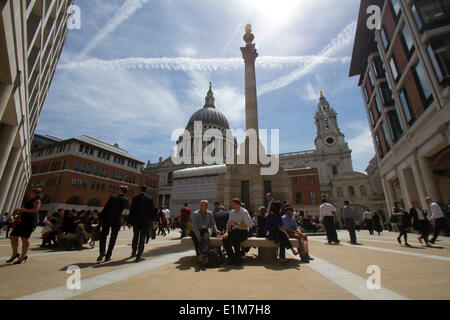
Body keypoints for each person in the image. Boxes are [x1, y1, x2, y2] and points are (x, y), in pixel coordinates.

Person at [7, 188, 42, 264]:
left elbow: (35, 210)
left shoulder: (37, 201)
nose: (30, 194)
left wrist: (23, 210)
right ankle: (15, 253)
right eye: (30, 192)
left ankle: (23, 255)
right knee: (13, 235)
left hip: (31, 221)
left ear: (36, 194)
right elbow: (25, 210)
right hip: (24, 220)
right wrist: (18, 216)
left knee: (25, 238)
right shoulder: (28, 200)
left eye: (32, 193)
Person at [97, 185, 129, 262]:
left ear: (120, 190)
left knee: (103, 236)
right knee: (113, 238)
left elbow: (106, 208)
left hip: (107, 219)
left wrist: (100, 218)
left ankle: (102, 253)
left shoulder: (113, 197)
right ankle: (108, 255)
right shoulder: (125, 200)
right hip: (117, 220)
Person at [128, 186, 156, 262]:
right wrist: (153, 220)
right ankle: (139, 256)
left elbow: (132, 210)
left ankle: (133, 252)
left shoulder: (135, 198)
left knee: (135, 237)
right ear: (146, 190)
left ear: (140, 190)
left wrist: (130, 221)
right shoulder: (149, 198)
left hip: (136, 221)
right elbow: (152, 210)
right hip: (145, 221)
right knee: (142, 238)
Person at [222, 198, 253, 266]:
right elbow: (229, 223)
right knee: (225, 239)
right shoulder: (232, 212)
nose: (232, 206)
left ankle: (238, 260)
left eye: (233, 204)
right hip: (235, 230)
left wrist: (237, 224)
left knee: (235, 241)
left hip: (244, 231)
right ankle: (232, 258)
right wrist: (226, 232)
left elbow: (249, 225)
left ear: (238, 204)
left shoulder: (244, 212)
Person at [191, 200, 220, 265]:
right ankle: (201, 257)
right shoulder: (195, 213)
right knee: (197, 242)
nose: (206, 206)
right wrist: (198, 236)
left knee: (205, 240)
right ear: (200, 205)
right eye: (204, 205)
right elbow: (194, 226)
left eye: (207, 205)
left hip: (204, 230)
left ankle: (202, 256)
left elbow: (213, 223)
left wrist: (216, 230)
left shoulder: (209, 213)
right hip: (195, 231)